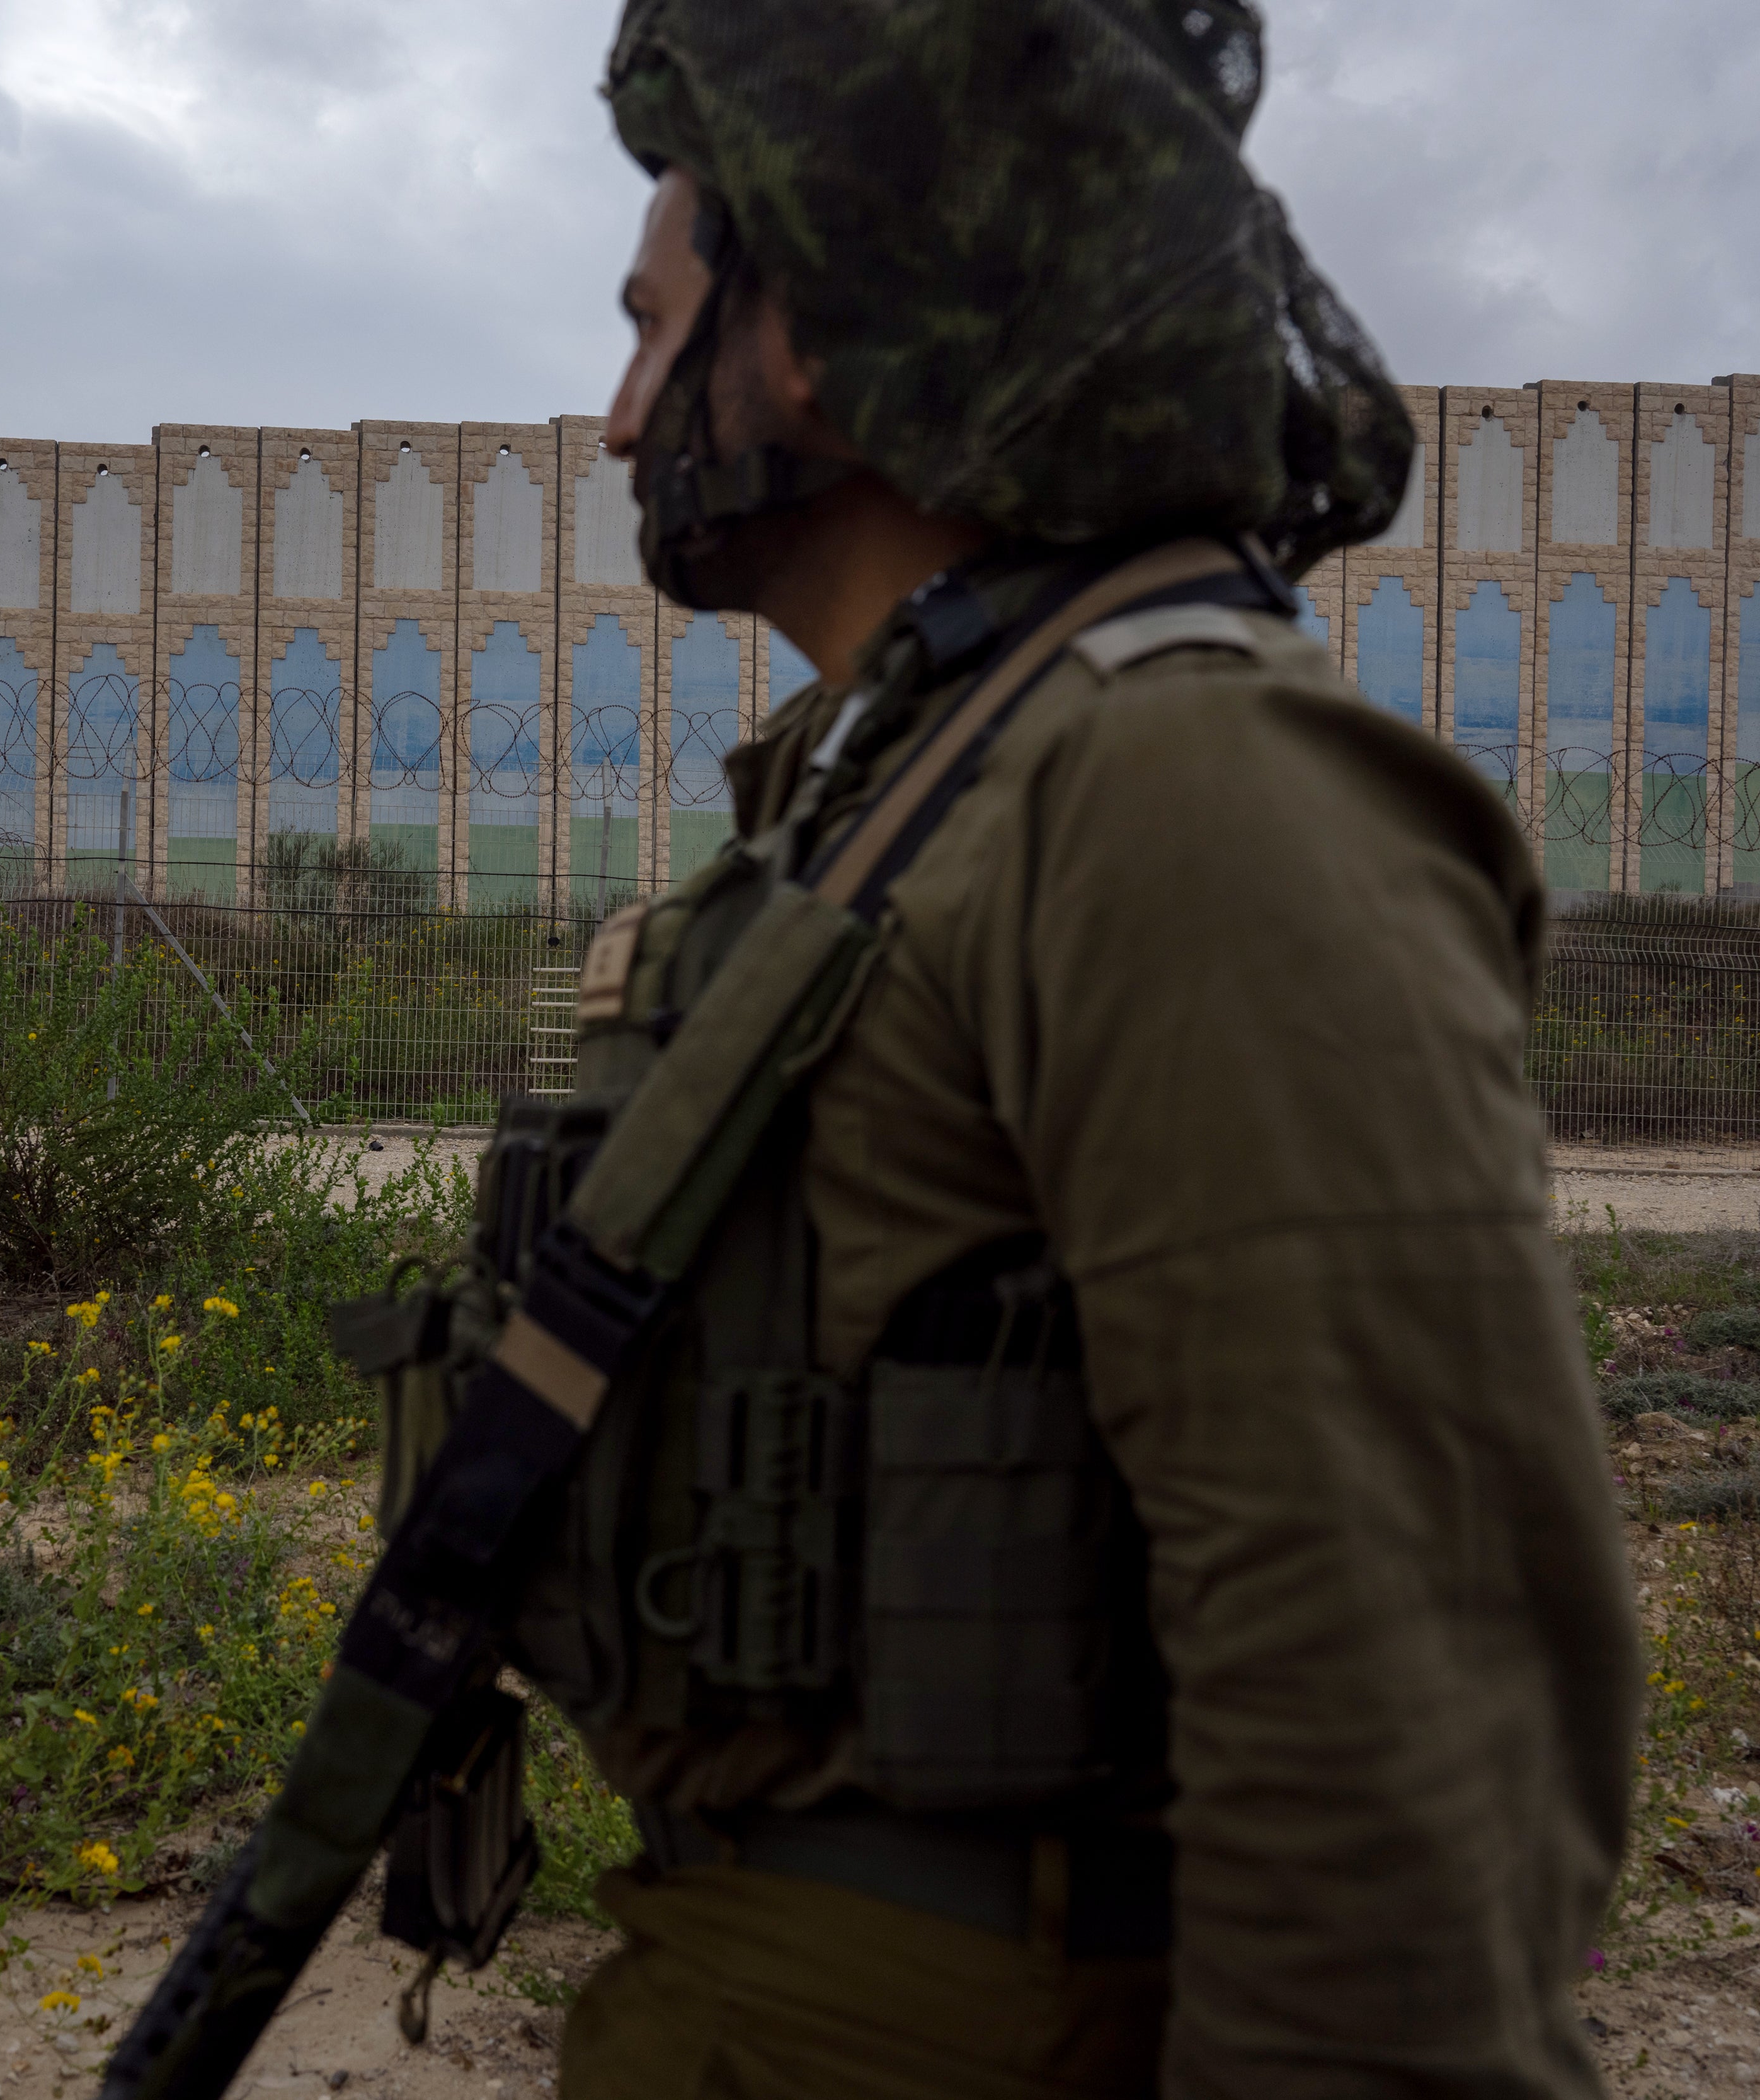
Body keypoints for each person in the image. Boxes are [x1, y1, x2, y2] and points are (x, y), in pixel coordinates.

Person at [521, 4, 1645, 2094]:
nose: (617, 420)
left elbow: (1398, 1700)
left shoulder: (1176, 783)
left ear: (828, 344)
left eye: (657, 328)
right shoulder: (905, 783)